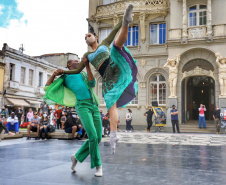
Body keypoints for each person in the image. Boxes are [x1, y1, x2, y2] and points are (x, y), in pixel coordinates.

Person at [64, 4, 138, 154]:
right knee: (111, 105)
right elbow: (77, 70)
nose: (87, 38)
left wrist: (121, 23)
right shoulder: (86, 56)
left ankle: (126, 20)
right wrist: (62, 71)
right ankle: (113, 136)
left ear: (96, 37)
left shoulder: (104, 44)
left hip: (114, 66)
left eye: (89, 36)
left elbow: (114, 31)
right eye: (85, 37)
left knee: (116, 45)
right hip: (107, 79)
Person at [43, 59, 102, 176]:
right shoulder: (65, 76)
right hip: (82, 105)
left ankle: (76, 156)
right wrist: (54, 74)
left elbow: (92, 84)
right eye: (75, 60)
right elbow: (47, 87)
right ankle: (98, 166)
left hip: (94, 105)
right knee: (93, 136)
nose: (78, 61)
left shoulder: (83, 74)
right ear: (69, 64)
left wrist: (87, 66)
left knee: (98, 137)